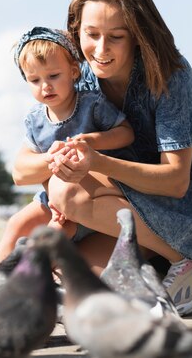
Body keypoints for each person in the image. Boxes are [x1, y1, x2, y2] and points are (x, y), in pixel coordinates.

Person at [0, 0, 192, 317]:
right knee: (69, 275)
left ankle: (191, 261)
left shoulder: (170, 75)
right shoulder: (77, 72)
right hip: (121, 196)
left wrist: (92, 162)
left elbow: (175, 180)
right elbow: (21, 167)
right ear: (76, 30)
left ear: (138, 36)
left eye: (116, 37)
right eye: (91, 35)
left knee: (66, 192)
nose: (101, 50)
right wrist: (63, 157)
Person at [9, 26, 134, 247]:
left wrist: (92, 140)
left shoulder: (91, 104)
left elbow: (126, 134)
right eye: (34, 80)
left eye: (53, 76)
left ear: (74, 71)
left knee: (53, 234)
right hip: (53, 198)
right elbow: (21, 170)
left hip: (91, 195)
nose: (45, 86)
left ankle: (34, 279)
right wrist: (50, 158)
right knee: (16, 224)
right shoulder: (36, 119)